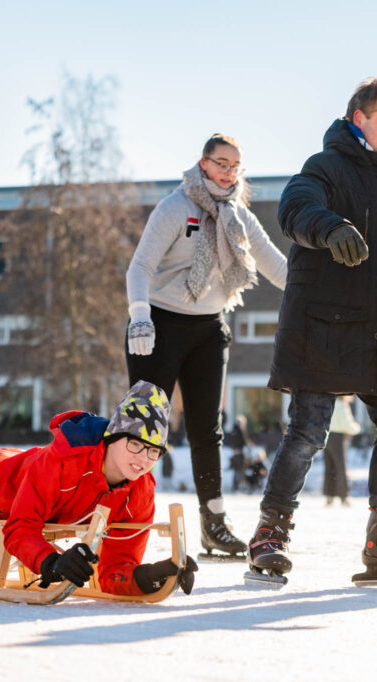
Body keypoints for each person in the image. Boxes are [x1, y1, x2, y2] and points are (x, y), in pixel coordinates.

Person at [246, 72, 377, 584]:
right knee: (308, 432)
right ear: (360, 119)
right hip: (326, 326)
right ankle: (270, 531)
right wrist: (330, 227)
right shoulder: (325, 166)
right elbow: (294, 208)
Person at [0, 331, 196, 597]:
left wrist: (150, 576)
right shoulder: (65, 462)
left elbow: (116, 568)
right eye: (135, 445)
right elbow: (19, 528)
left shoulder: (140, 489)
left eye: (153, 451)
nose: (142, 460)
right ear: (112, 437)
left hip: (13, 465)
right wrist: (51, 563)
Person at [125, 134, 287, 559]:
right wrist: (139, 315)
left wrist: (317, 292)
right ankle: (122, 517)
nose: (228, 172)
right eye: (221, 163)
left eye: (235, 166)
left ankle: (214, 524)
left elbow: (274, 264)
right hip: (159, 324)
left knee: (206, 430)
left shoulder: (239, 216)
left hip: (209, 328)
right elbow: (140, 266)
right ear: (203, 163)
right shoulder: (175, 208)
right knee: (143, 425)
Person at [323, 396, 360, 506]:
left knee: (329, 466)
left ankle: (329, 495)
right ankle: (344, 496)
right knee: (341, 466)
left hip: (326, 436)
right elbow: (346, 424)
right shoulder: (341, 404)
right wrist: (357, 428)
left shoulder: (328, 402)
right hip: (338, 438)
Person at [226, 414, 252, 492]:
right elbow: (244, 440)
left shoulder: (233, 430)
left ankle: (235, 486)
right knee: (240, 470)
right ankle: (237, 487)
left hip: (234, 453)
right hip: (240, 453)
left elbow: (229, 440)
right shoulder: (240, 430)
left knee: (236, 470)